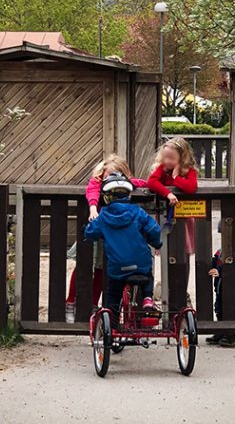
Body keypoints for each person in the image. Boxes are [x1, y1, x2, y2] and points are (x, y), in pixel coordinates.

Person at [65, 155, 147, 323]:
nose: (112, 180)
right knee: (84, 266)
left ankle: (94, 306)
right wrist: (93, 208)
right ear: (102, 175)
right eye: (108, 175)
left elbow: (142, 183)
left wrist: (159, 185)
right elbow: (92, 191)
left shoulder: (126, 185)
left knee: (103, 269)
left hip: (113, 234)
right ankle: (70, 302)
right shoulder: (97, 183)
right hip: (98, 228)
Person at [84, 172, 163, 321]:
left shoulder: (104, 216)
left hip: (117, 267)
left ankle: (111, 323)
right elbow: (154, 229)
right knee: (148, 275)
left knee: (113, 294)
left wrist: (86, 231)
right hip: (140, 264)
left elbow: (91, 232)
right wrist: (157, 243)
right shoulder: (138, 212)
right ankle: (147, 298)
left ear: (107, 196)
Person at [146, 136, 199, 255]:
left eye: (172, 158)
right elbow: (151, 182)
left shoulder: (189, 171)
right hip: (165, 214)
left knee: (182, 251)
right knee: (166, 249)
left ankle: (183, 272)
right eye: (165, 157)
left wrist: (176, 177)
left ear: (182, 158)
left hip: (184, 215)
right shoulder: (162, 168)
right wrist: (168, 193)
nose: (167, 161)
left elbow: (191, 187)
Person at [207, 217, 235, 347]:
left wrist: (221, 270)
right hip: (222, 284)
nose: (222, 237)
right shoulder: (226, 244)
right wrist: (213, 263)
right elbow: (219, 256)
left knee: (230, 309)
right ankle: (221, 331)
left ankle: (231, 335)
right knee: (219, 307)